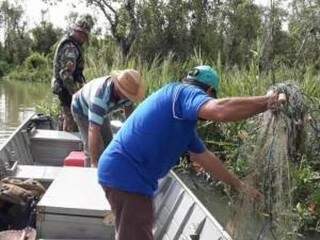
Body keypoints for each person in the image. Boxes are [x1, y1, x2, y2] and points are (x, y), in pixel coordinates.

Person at [97, 65, 284, 240]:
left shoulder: (183, 123)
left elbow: (205, 158)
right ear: (209, 92)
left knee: (133, 230)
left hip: (123, 175)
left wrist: (240, 186)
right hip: (127, 177)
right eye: (209, 97)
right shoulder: (183, 92)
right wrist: (267, 101)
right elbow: (219, 110)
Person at [71, 69, 144, 168]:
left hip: (102, 111)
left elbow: (130, 119)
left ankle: (108, 173)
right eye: (127, 95)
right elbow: (93, 130)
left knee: (109, 144)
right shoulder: (100, 97)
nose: (128, 98)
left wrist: (134, 142)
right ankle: (89, 174)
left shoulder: (127, 94)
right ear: (119, 89)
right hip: (81, 110)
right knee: (95, 150)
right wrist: (94, 163)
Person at [51, 15, 94, 132]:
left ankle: (62, 138)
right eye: (81, 33)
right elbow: (65, 74)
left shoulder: (72, 45)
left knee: (67, 116)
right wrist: (75, 94)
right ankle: (68, 145)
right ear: (76, 31)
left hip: (64, 88)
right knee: (72, 120)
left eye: (85, 34)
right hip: (66, 89)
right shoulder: (71, 47)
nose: (84, 37)